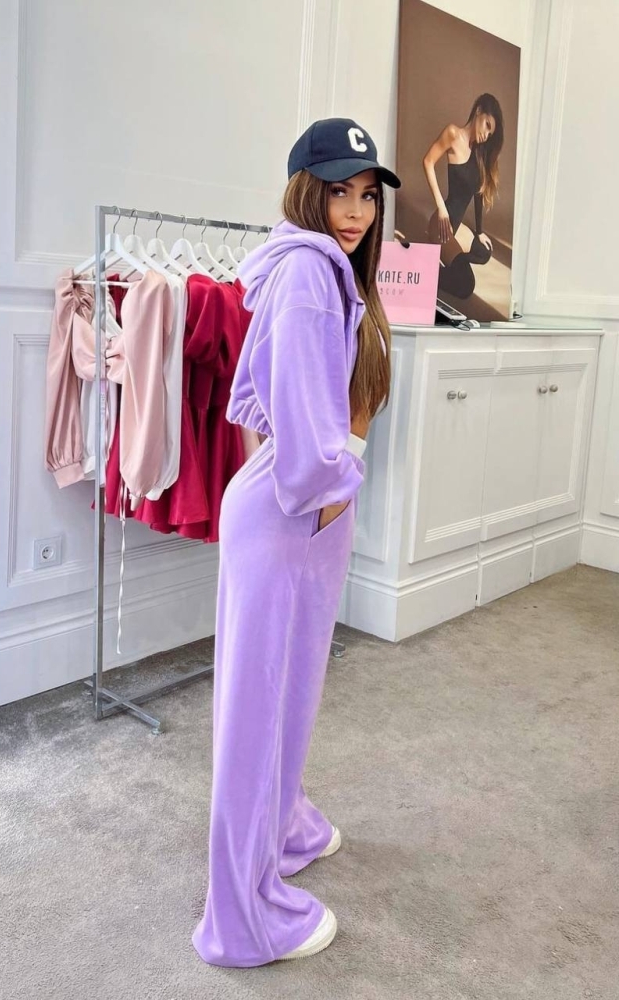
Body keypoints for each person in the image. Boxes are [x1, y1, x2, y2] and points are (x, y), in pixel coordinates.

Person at [192, 118, 400, 968]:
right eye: (338, 191)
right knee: (257, 712)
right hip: (295, 510)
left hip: (292, 508)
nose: (355, 211)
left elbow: (257, 401)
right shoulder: (312, 271)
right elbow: (303, 425)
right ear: (304, 190)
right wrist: (329, 489)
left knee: (286, 694)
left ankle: (283, 828)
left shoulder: (311, 269)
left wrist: (317, 489)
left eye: (367, 195)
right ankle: (241, 919)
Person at [422, 94, 504, 300]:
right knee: (466, 285)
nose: (486, 134)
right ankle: (423, 270)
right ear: (478, 111)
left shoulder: (478, 152)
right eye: (487, 125)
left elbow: (478, 194)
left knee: (484, 252)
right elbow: (428, 162)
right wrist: (441, 208)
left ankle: (446, 260)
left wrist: (480, 231)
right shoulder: (453, 133)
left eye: (490, 133)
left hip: (457, 227)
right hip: (442, 225)